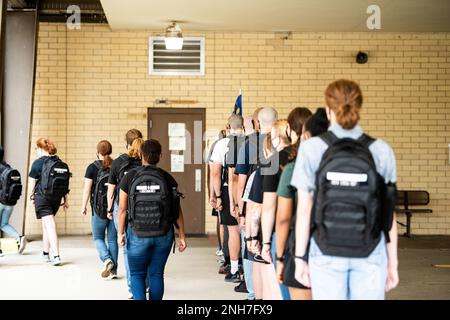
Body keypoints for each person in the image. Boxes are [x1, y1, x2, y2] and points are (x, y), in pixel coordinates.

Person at [293, 79, 399, 300]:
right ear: (359, 107)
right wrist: (393, 263)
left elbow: (304, 209)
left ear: (328, 109)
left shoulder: (312, 148)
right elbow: (389, 213)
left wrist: (300, 258)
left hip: (325, 250)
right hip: (370, 251)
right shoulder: (381, 150)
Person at [117, 139, 187, 300]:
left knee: (137, 274)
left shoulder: (129, 178)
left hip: (137, 234)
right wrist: (182, 235)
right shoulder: (167, 178)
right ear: (160, 156)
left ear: (141, 155)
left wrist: (120, 233)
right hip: (163, 235)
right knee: (156, 274)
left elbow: (122, 209)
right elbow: (177, 210)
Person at [275, 108, 328, 300]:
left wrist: (280, 257)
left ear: (306, 135)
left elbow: (284, 218)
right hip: (342, 248)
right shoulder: (352, 164)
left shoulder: (296, 167)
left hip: (302, 247)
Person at [260, 110, 312, 300]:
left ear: (290, 129)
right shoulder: (323, 156)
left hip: (288, 235)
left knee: (288, 290)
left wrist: (266, 243)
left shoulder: (278, 160)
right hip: (321, 235)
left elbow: (271, 207)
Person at [242, 107, 278, 299]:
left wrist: (241, 213)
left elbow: (238, 180)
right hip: (285, 225)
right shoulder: (293, 155)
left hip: (262, 219)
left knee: (257, 259)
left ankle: (253, 296)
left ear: (257, 123)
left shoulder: (247, 145)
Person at [107, 129, 143, 298]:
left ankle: (133, 288)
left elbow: (111, 190)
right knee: (144, 246)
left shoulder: (118, 162)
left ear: (126, 142)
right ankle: (146, 284)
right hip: (143, 208)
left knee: (127, 248)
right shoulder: (145, 159)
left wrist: (109, 209)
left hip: (121, 208)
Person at [210, 114, 245, 284]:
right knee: (247, 230)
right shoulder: (250, 142)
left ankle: (234, 268)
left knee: (233, 231)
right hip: (248, 188)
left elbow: (216, 173)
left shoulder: (222, 144)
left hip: (228, 189)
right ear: (243, 126)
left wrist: (217, 196)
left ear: (228, 126)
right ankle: (247, 268)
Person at [28, 138, 70, 266]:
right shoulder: (60, 163)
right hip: (56, 199)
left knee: (50, 225)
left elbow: (32, 183)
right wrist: (66, 200)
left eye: (36, 149)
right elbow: (65, 183)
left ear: (40, 149)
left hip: (43, 198)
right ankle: (45, 253)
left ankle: (56, 255)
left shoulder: (37, 163)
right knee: (46, 225)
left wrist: (31, 197)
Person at [80, 140, 118, 279]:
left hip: (98, 210)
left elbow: (87, 189)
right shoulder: (116, 166)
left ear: (97, 152)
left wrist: (83, 206)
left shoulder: (92, 167)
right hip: (113, 209)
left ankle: (106, 259)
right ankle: (114, 271)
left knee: (98, 238)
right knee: (113, 240)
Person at [0, 146, 26, 256]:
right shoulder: (7, 167)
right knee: (4, 224)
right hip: (9, 202)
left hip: (0, 200)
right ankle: (18, 238)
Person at [206, 130, 227, 259]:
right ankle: (223, 249)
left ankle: (223, 250)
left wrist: (212, 194)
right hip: (224, 187)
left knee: (221, 220)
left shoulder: (216, 147)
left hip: (221, 188)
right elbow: (213, 174)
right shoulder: (216, 147)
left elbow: (212, 174)